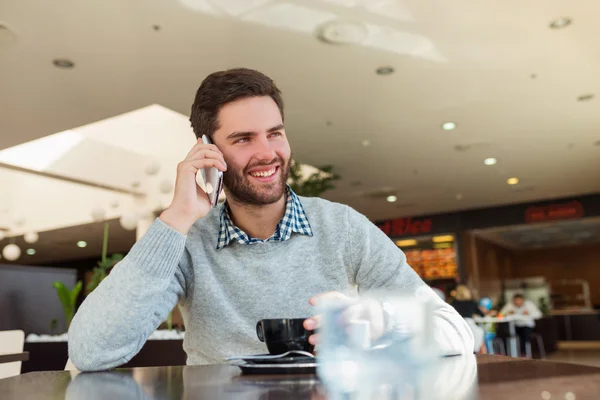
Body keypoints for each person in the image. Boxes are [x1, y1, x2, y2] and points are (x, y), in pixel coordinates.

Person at [68, 68, 474, 371]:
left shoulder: (343, 227)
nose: (267, 153)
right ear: (209, 153)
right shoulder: (188, 239)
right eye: (243, 139)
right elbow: (91, 351)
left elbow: (458, 332)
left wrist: (381, 323)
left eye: (275, 133)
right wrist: (176, 217)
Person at [450, 285, 485, 353]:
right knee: (480, 332)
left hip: (457, 326)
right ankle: (480, 355)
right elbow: (482, 315)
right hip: (470, 326)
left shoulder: (453, 303)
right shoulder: (471, 303)